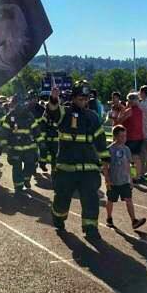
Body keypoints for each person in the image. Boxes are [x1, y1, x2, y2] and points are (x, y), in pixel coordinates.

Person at [46, 81, 109, 240]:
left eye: (86, 98)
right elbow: (53, 112)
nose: (84, 101)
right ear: (73, 98)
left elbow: (100, 139)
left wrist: (105, 159)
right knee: (62, 199)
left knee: (91, 199)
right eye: (81, 98)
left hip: (89, 167)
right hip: (66, 168)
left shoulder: (93, 116)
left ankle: (91, 228)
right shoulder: (65, 113)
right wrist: (53, 98)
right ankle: (58, 218)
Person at [104, 125, 147, 230]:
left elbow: (128, 165)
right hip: (113, 181)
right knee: (110, 200)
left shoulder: (126, 149)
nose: (124, 138)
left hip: (124, 181)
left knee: (129, 200)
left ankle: (134, 221)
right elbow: (105, 167)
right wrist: (107, 180)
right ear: (115, 137)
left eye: (125, 136)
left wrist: (130, 179)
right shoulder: (109, 150)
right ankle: (109, 218)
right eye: (121, 136)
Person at [2, 94, 41, 192]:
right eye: (16, 103)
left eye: (21, 103)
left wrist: (41, 142)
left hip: (28, 147)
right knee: (17, 167)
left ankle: (26, 179)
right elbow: (5, 131)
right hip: (15, 147)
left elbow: (35, 129)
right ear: (14, 104)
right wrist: (4, 144)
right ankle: (18, 187)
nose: (19, 105)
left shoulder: (29, 115)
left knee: (30, 164)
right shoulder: (10, 116)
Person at [115, 93, 145, 182]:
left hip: (130, 137)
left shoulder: (129, 111)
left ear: (129, 101)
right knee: (136, 157)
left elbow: (119, 121)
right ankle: (139, 175)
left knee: (126, 157)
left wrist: (122, 110)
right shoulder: (140, 110)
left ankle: (126, 175)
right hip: (139, 136)